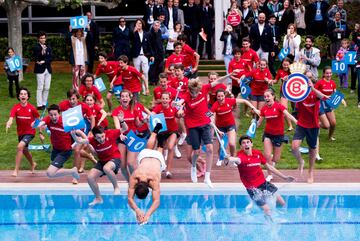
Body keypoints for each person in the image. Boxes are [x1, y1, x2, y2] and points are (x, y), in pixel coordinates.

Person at [176, 75, 231, 188]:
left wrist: (230, 75)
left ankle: (207, 177)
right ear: (190, 90)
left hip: (205, 124)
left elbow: (218, 80)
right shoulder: (186, 95)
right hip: (192, 126)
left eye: (196, 92)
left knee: (210, 148)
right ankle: (193, 167)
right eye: (193, 93)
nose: (195, 95)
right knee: (196, 152)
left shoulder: (204, 89)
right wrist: (178, 106)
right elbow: (180, 103)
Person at [224, 135, 295, 217]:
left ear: (251, 144)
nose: (246, 144)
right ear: (241, 146)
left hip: (264, 184)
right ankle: (269, 224)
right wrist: (227, 159)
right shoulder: (241, 157)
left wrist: (284, 177)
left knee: (282, 203)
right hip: (253, 189)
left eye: (248, 142)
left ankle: (277, 215)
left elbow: (269, 167)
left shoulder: (257, 153)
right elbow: (233, 160)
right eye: (243, 143)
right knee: (266, 209)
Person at [74, 124, 129, 206]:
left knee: (106, 168)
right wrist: (72, 134)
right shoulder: (92, 140)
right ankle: (98, 198)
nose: (101, 139)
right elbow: (79, 141)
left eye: (102, 136)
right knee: (90, 177)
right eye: (98, 138)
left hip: (115, 158)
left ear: (104, 133)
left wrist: (122, 121)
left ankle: (116, 187)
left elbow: (125, 128)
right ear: (95, 137)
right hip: (102, 161)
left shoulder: (111, 133)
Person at [291, 71, 330, 183]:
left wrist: (312, 88)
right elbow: (290, 90)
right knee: (294, 147)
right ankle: (301, 161)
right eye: (305, 77)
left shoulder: (316, 93)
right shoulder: (299, 93)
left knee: (312, 149)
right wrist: (289, 80)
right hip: (301, 124)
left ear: (312, 79)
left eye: (309, 77)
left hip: (313, 125)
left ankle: (310, 171)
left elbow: (324, 97)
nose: (307, 79)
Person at [128, 123, 166, 225]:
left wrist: (144, 213)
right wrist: (138, 210)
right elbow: (130, 198)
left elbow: (156, 201)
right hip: (144, 156)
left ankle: (161, 143)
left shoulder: (154, 181)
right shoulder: (135, 176)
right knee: (148, 149)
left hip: (158, 159)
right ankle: (154, 133)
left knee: (159, 151)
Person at [257, 89, 298, 182]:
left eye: (268, 96)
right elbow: (260, 121)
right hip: (268, 134)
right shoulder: (264, 109)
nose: (266, 98)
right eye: (265, 97)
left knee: (276, 159)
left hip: (279, 135)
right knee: (267, 155)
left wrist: (296, 121)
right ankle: (270, 175)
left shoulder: (279, 106)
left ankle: (272, 163)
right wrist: (254, 126)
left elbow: (288, 115)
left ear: (273, 96)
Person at [211, 88, 259, 165]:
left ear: (225, 95)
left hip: (230, 125)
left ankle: (233, 158)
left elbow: (244, 101)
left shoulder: (230, 101)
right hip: (220, 127)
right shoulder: (215, 106)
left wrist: (254, 109)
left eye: (222, 96)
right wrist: (216, 130)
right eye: (219, 96)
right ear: (216, 97)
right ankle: (220, 158)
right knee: (222, 145)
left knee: (232, 144)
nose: (220, 98)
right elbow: (212, 118)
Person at [32, 104, 80, 181]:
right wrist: (35, 124)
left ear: (59, 114)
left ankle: (73, 171)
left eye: (55, 114)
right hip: (55, 150)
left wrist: (76, 142)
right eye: (51, 115)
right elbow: (39, 124)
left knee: (50, 173)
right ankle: (70, 173)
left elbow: (77, 132)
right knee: (55, 172)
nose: (53, 117)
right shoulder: (48, 119)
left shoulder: (65, 122)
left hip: (65, 151)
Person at [6, 88, 39, 177]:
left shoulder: (32, 108)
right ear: (19, 96)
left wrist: (36, 126)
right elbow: (11, 118)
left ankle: (16, 170)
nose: (23, 95)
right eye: (21, 94)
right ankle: (33, 163)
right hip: (21, 133)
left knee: (20, 146)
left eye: (25, 94)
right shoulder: (16, 107)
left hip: (30, 132)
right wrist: (9, 123)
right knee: (24, 150)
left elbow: (38, 120)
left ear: (27, 97)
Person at [152, 92, 181, 178]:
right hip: (162, 132)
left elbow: (178, 115)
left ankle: (168, 171)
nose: (165, 100)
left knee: (170, 147)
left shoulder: (173, 108)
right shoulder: (158, 108)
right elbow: (153, 114)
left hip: (172, 131)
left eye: (166, 98)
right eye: (163, 98)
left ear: (169, 100)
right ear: (161, 100)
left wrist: (180, 113)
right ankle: (160, 167)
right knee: (160, 150)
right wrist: (150, 116)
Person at [315, 66, 346, 141]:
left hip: (329, 103)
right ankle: (316, 124)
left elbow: (335, 92)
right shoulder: (320, 82)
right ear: (323, 74)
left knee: (333, 123)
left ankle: (330, 137)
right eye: (327, 73)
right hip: (320, 104)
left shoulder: (332, 83)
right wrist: (321, 96)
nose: (329, 75)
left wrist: (342, 99)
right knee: (326, 126)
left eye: (330, 73)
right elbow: (314, 92)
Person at [131, 18, 153, 96]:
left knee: (145, 72)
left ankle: (145, 89)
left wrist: (151, 55)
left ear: (142, 24)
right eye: (137, 23)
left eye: (140, 23)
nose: (139, 25)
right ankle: (138, 89)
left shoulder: (146, 34)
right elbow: (130, 39)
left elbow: (149, 45)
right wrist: (134, 31)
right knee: (137, 73)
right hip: (136, 55)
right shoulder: (134, 33)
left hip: (144, 55)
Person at [33, 31, 52, 110]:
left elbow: (51, 58)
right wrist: (42, 51)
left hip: (48, 69)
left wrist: (44, 61)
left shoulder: (48, 47)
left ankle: (44, 103)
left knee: (47, 87)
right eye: (41, 38)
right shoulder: (36, 47)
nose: (43, 39)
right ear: (38, 39)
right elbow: (37, 57)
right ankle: (39, 105)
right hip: (40, 69)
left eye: (44, 38)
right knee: (40, 87)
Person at [274, 57, 294, 131]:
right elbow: (276, 80)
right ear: (282, 64)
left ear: (290, 65)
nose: (285, 66)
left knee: (294, 106)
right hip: (284, 91)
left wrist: (289, 77)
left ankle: (295, 114)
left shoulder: (293, 71)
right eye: (284, 65)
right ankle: (290, 125)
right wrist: (271, 81)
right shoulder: (280, 71)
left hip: (294, 92)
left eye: (287, 65)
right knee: (284, 108)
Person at [149, 20, 166, 85]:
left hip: (160, 53)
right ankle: (152, 81)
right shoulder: (150, 33)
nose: (157, 27)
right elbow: (150, 45)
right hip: (153, 53)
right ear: (153, 26)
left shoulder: (159, 32)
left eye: (158, 26)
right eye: (155, 25)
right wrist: (151, 54)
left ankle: (156, 80)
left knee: (159, 67)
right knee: (153, 67)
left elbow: (160, 43)